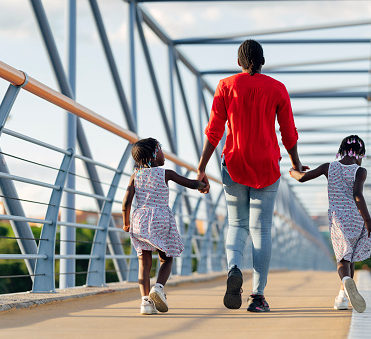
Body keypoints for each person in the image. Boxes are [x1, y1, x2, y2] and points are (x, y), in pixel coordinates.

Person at [196, 39, 307, 313]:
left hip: (234, 163)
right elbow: (288, 133)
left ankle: (234, 267)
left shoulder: (226, 86)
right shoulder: (277, 89)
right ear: (263, 61)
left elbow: (214, 131)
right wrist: (296, 163)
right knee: (261, 230)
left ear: (238, 62)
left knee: (237, 224)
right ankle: (258, 297)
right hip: (267, 166)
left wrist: (201, 167)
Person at [289, 135, 371, 313]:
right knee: (350, 258)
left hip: (339, 220)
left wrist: (294, 172)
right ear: (359, 154)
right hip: (356, 219)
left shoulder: (328, 167)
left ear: (341, 151)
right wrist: (368, 222)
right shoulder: (360, 171)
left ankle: (346, 281)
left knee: (342, 259)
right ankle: (343, 298)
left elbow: (301, 178)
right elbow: (358, 195)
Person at [122, 138, 206, 315]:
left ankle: (145, 302)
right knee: (166, 258)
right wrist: (203, 185)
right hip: (161, 218)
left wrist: (126, 222)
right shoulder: (165, 173)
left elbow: (126, 203)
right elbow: (190, 183)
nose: (163, 154)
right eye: (160, 150)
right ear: (154, 155)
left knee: (144, 263)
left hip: (140, 220)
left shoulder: (135, 176)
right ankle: (159, 287)